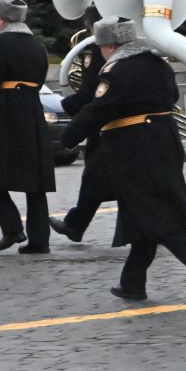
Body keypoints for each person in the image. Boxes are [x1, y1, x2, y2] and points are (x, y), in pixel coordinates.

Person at [59, 18, 186, 302]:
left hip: (135, 148)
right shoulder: (158, 63)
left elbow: (100, 109)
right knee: (141, 213)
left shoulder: (117, 70)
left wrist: (67, 136)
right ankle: (133, 283)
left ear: (111, 45)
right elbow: (173, 95)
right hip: (164, 140)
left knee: (155, 211)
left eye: (102, 46)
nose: (101, 52)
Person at [0, 0, 56, 254]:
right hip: (32, 111)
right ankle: (39, 240)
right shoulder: (37, 46)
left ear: (1, 18)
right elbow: (40, 79)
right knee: (35, 183)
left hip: (6, 113)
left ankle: (11, 228)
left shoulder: (0, 41)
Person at [52, 17, 114, 243]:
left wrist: (68, 105)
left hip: (104, 124)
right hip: (117, 124)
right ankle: (75, 224)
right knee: (97, 178)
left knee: (94, 175)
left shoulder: (94, 49)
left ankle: (75, 225)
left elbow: (90, 92)